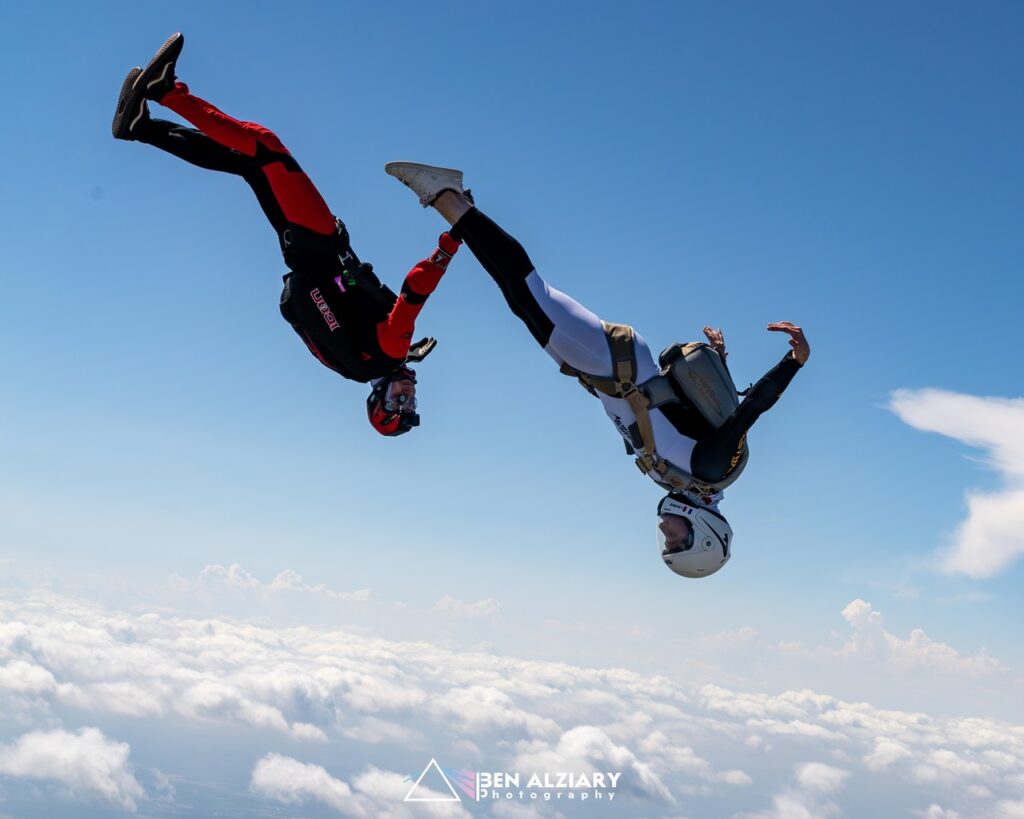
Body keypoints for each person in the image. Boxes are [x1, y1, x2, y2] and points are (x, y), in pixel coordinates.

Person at [385, 163, 810, 577]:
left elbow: (678, 416)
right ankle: (446, 197)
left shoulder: (682, 484)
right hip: (618, 363)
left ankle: (459, 206)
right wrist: (793, 363)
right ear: (704, 535)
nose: (665, 531)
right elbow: (748, 412)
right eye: (677, 541)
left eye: (667, 543)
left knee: (521, 299)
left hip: (601, 373)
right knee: (530, 291)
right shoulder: (711, 472)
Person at [112, 34, 460, 436]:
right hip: (304, 253)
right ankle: (141, 128)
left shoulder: (388, 351)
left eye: (399, 402)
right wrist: (402, 351)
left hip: (322, 242)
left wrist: (450, 244)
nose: (409, 395)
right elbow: (353, 319)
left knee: (266, 149)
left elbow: (414, 293)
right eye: (411, 402)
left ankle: (166, 91)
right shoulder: (361, 366)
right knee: (249, 164)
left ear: (377, 398)